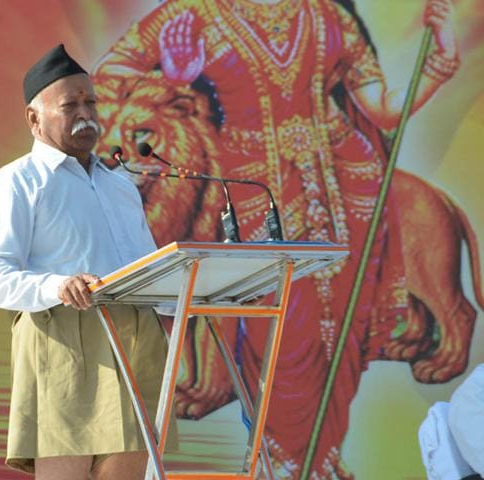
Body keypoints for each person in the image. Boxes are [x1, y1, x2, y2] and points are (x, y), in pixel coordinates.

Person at [92, 0, 460, 477]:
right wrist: (176, 76)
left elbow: (386, 111)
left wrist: (440, 59)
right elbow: (107, 76)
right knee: (275, 333)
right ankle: (280, 463)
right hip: (253, 194)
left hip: (345, 191)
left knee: (338, 336)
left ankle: (321, 463)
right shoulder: (193, 14)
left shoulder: (326, 15)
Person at [0, 44, 176, 480]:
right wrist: (57, 285)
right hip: (62, 340)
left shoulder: (120, 187)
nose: (86, 113)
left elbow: (146, 269)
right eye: (70, 105)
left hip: (135, 340)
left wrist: (207, 291)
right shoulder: (16, 183)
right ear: (34, 119)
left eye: (90, 102)